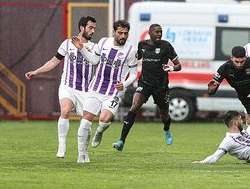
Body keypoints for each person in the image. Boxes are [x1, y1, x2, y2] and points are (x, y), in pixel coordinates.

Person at [25, 16, 97, 158]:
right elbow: (53, 61)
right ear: (81, 28)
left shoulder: (94, 47)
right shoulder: (67, 44)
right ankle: (61, 145)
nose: (93, 30)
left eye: (94, 28)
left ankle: (83, 152)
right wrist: (36, 71)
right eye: (90, 27)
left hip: (85, 90)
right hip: (67, 86)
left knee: (86, 124)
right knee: (65, 111)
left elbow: (96, 63)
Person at [72, 20, 138, 163]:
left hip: (113, 92)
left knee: (104, 118)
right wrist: (82, 49)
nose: (123, 36)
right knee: (85, 122)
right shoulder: (103, 42)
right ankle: (82, 154)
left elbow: (134, 74)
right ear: (114, 32)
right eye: (120, 33)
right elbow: (94, 61)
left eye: (126, 33)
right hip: (95, 88)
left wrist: (124, 84)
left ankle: (100, 131)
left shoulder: (131, 51)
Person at [112, 23, 182, 151]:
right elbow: (133, 59)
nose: (159, 34)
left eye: (161, 32)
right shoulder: (142, 45)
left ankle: (166, 130)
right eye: (156, 32)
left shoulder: (166, 46)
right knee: (135, 106)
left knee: (164, 114)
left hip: (161, 86)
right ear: (149, 33)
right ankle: (121, 140)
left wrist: (171, 68)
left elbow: (179, 65)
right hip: (144, 83)